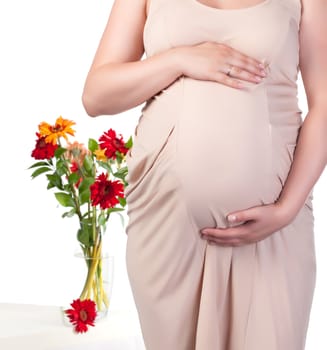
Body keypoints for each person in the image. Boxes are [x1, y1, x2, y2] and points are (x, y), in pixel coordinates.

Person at [82, 0, 327, 349]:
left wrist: (287, 208)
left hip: (276, 228)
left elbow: (325, 103)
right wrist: (179, 59)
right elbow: (96, 96)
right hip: (166, 224)